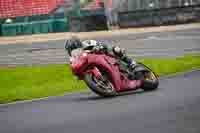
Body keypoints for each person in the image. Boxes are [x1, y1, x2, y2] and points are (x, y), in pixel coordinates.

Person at [65, 36, 137, 75]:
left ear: (78, 44)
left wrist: (98, 47)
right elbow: (74, 66)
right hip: (91, 63)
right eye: (70, 50)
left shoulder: (87, 43)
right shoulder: (73, 58)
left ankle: (130, 62)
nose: (72, 51)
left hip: (103, 56)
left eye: (72, 48)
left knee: (115, 49)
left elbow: (101, 44)